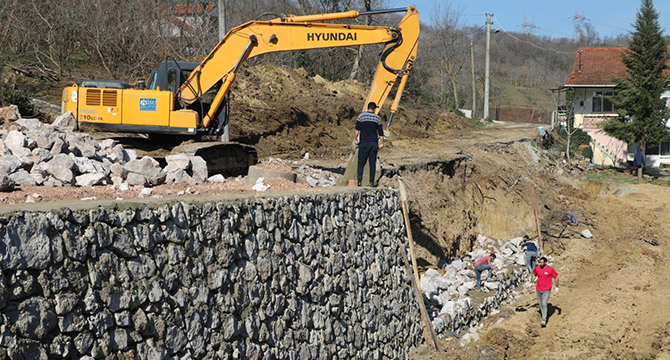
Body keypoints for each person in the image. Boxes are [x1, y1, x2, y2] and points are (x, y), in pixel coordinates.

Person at [354, 102, 384, 187]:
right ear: (374, 109)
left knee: (361, 163)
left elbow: (357, 129)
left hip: (363, 143)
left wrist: (355, 139)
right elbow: (380, 132)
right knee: (372, 163)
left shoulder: (361, 116)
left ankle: (359, 181)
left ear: (368, 107)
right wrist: (382, 143)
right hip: (373, 143)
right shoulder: (377, 118)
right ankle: (371, 182)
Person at [532, 256, 559, 327]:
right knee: (541, 304)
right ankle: (543, 314)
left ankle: (544, 319)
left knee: (544, 303)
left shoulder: (550, 269)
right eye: (539, 262)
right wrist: (531, 282)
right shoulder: (537, 268)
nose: (540, 264)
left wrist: (557, 287)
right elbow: (534, 274)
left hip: (547, 289)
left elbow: (556, 277)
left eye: (542, 263)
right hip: (538, 289)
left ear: (545, 262)